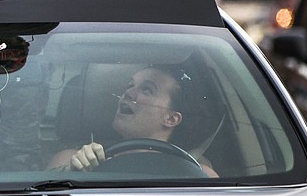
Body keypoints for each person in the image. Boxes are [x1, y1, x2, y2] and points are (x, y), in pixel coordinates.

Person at [47, 64, 219, 177]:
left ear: (172, 118)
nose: (128, 93)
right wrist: (73, 172)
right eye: (130, 86)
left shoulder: (200, 174)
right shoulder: (72, 159)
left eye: (147, 90)